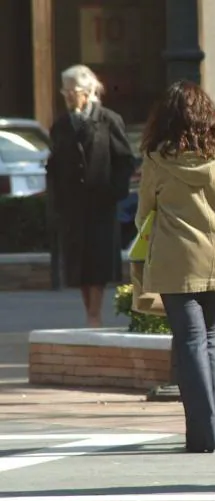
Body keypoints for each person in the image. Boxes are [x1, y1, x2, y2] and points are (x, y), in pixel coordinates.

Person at [135, 81, 215, 453]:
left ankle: (203, 434)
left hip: (177, 261)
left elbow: (143, 214)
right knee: (210, 338)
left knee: (190, 341)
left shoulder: (156, 158)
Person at [46, 64, 134, 328]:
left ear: (86, 91)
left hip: (100, 205)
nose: (68, 96)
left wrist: (113, 192)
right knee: (80, 265)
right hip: (73, 207)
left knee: (98, 263)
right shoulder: (61, 125)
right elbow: (54, 164)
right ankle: (90, 314)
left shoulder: (108, 120)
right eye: (65, 91)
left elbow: (125, 160)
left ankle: (94, 315)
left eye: (72, 90)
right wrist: (56, 199)